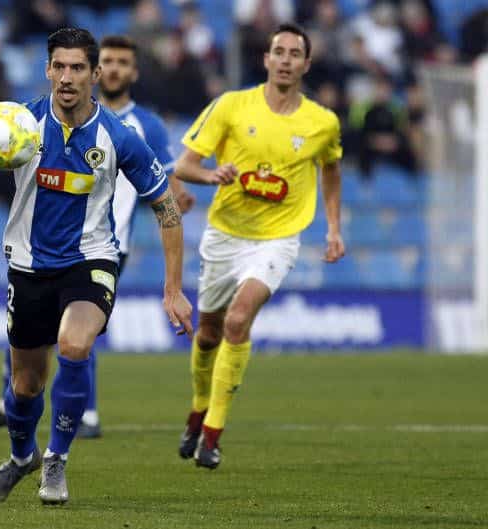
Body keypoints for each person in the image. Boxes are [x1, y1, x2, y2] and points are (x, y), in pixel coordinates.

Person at [0, 28, 193, 504]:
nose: (67, 77)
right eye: (59, 67)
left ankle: (56, 459)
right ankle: (22, 457)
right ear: (47, 71)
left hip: (92, 260)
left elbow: (166, 209)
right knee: (25, 384)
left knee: (74, 344)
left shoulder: (118, 137)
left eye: (77, 68)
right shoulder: (18, 125)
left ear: (95, 73)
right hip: (26, 267)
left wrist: (173, 289)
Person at [174, 23, 344, 470]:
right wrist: (212, 176)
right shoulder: (231, 106)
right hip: (226, 235)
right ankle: (197, 409)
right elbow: (185, 164)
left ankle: (213, 433)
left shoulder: (322, 123)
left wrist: (333, 228)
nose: (286, 59)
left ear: (306, 64)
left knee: (237, 319)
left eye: (295, 53)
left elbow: (331, 170)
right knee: (208, 332)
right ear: (266, 60)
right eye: (278, 52)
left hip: (278, 238)